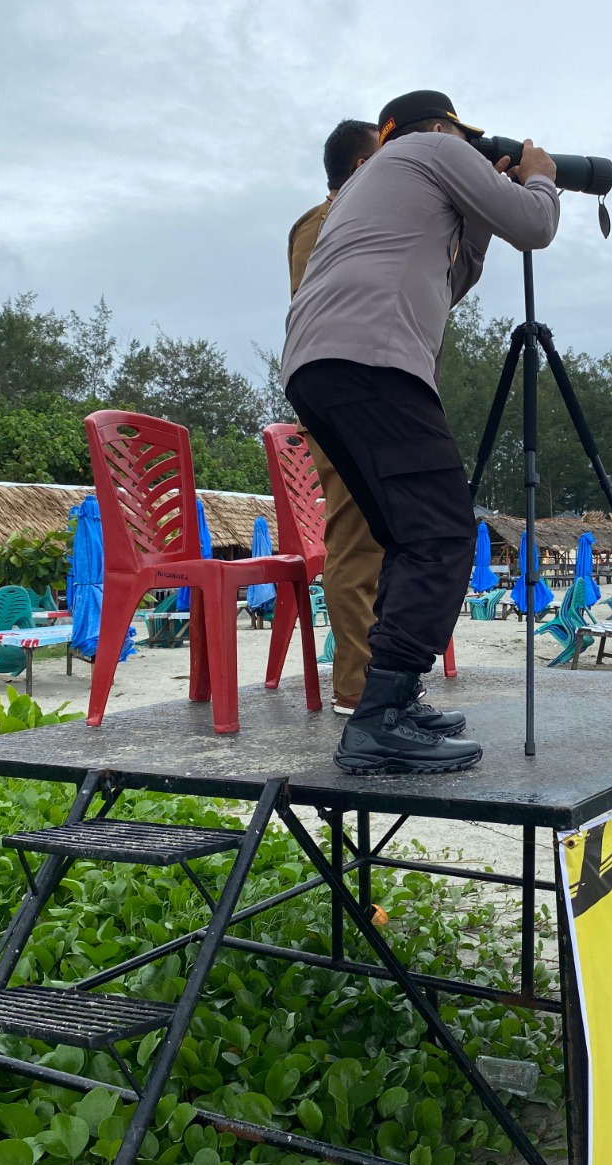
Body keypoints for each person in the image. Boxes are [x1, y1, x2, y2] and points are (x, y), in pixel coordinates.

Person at [282, 89, 560, 774]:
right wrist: (541, 175)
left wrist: (480, 208)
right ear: (439, 130)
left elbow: (450, 279)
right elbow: (536, 225)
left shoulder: (363, 190)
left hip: (316, 369)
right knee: (443, 535)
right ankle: (378, 719)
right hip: (375, 360)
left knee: (407, 539)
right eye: (460, 138)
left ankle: (393, 700)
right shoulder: (428, 148)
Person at [286, 119, 381, 717]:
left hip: (354, 391)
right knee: (356, 534)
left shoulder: (328, 222)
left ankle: (376, 675)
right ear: (358, 170)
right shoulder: (329, 223)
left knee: (379, 534)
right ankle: (357, 686)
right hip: (347, 394)